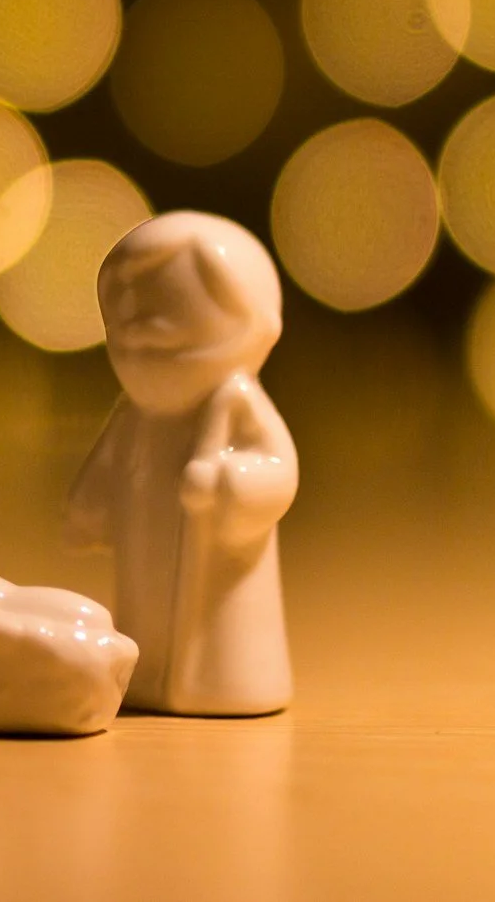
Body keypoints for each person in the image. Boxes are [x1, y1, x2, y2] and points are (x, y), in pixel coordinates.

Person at [68, 211, 298, 716]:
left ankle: (227, 683)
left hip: (216, 590)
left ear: (253, 329)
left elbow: (279, 471)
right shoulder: (134, 415)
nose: (138, 355)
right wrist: (91, 505)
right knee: (142, 626)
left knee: (218, 643)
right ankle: (143, 676)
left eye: (163, 344)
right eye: (123, 342)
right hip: (145, 561)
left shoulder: (236, 404)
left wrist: (229, 483)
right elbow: (106, 471)